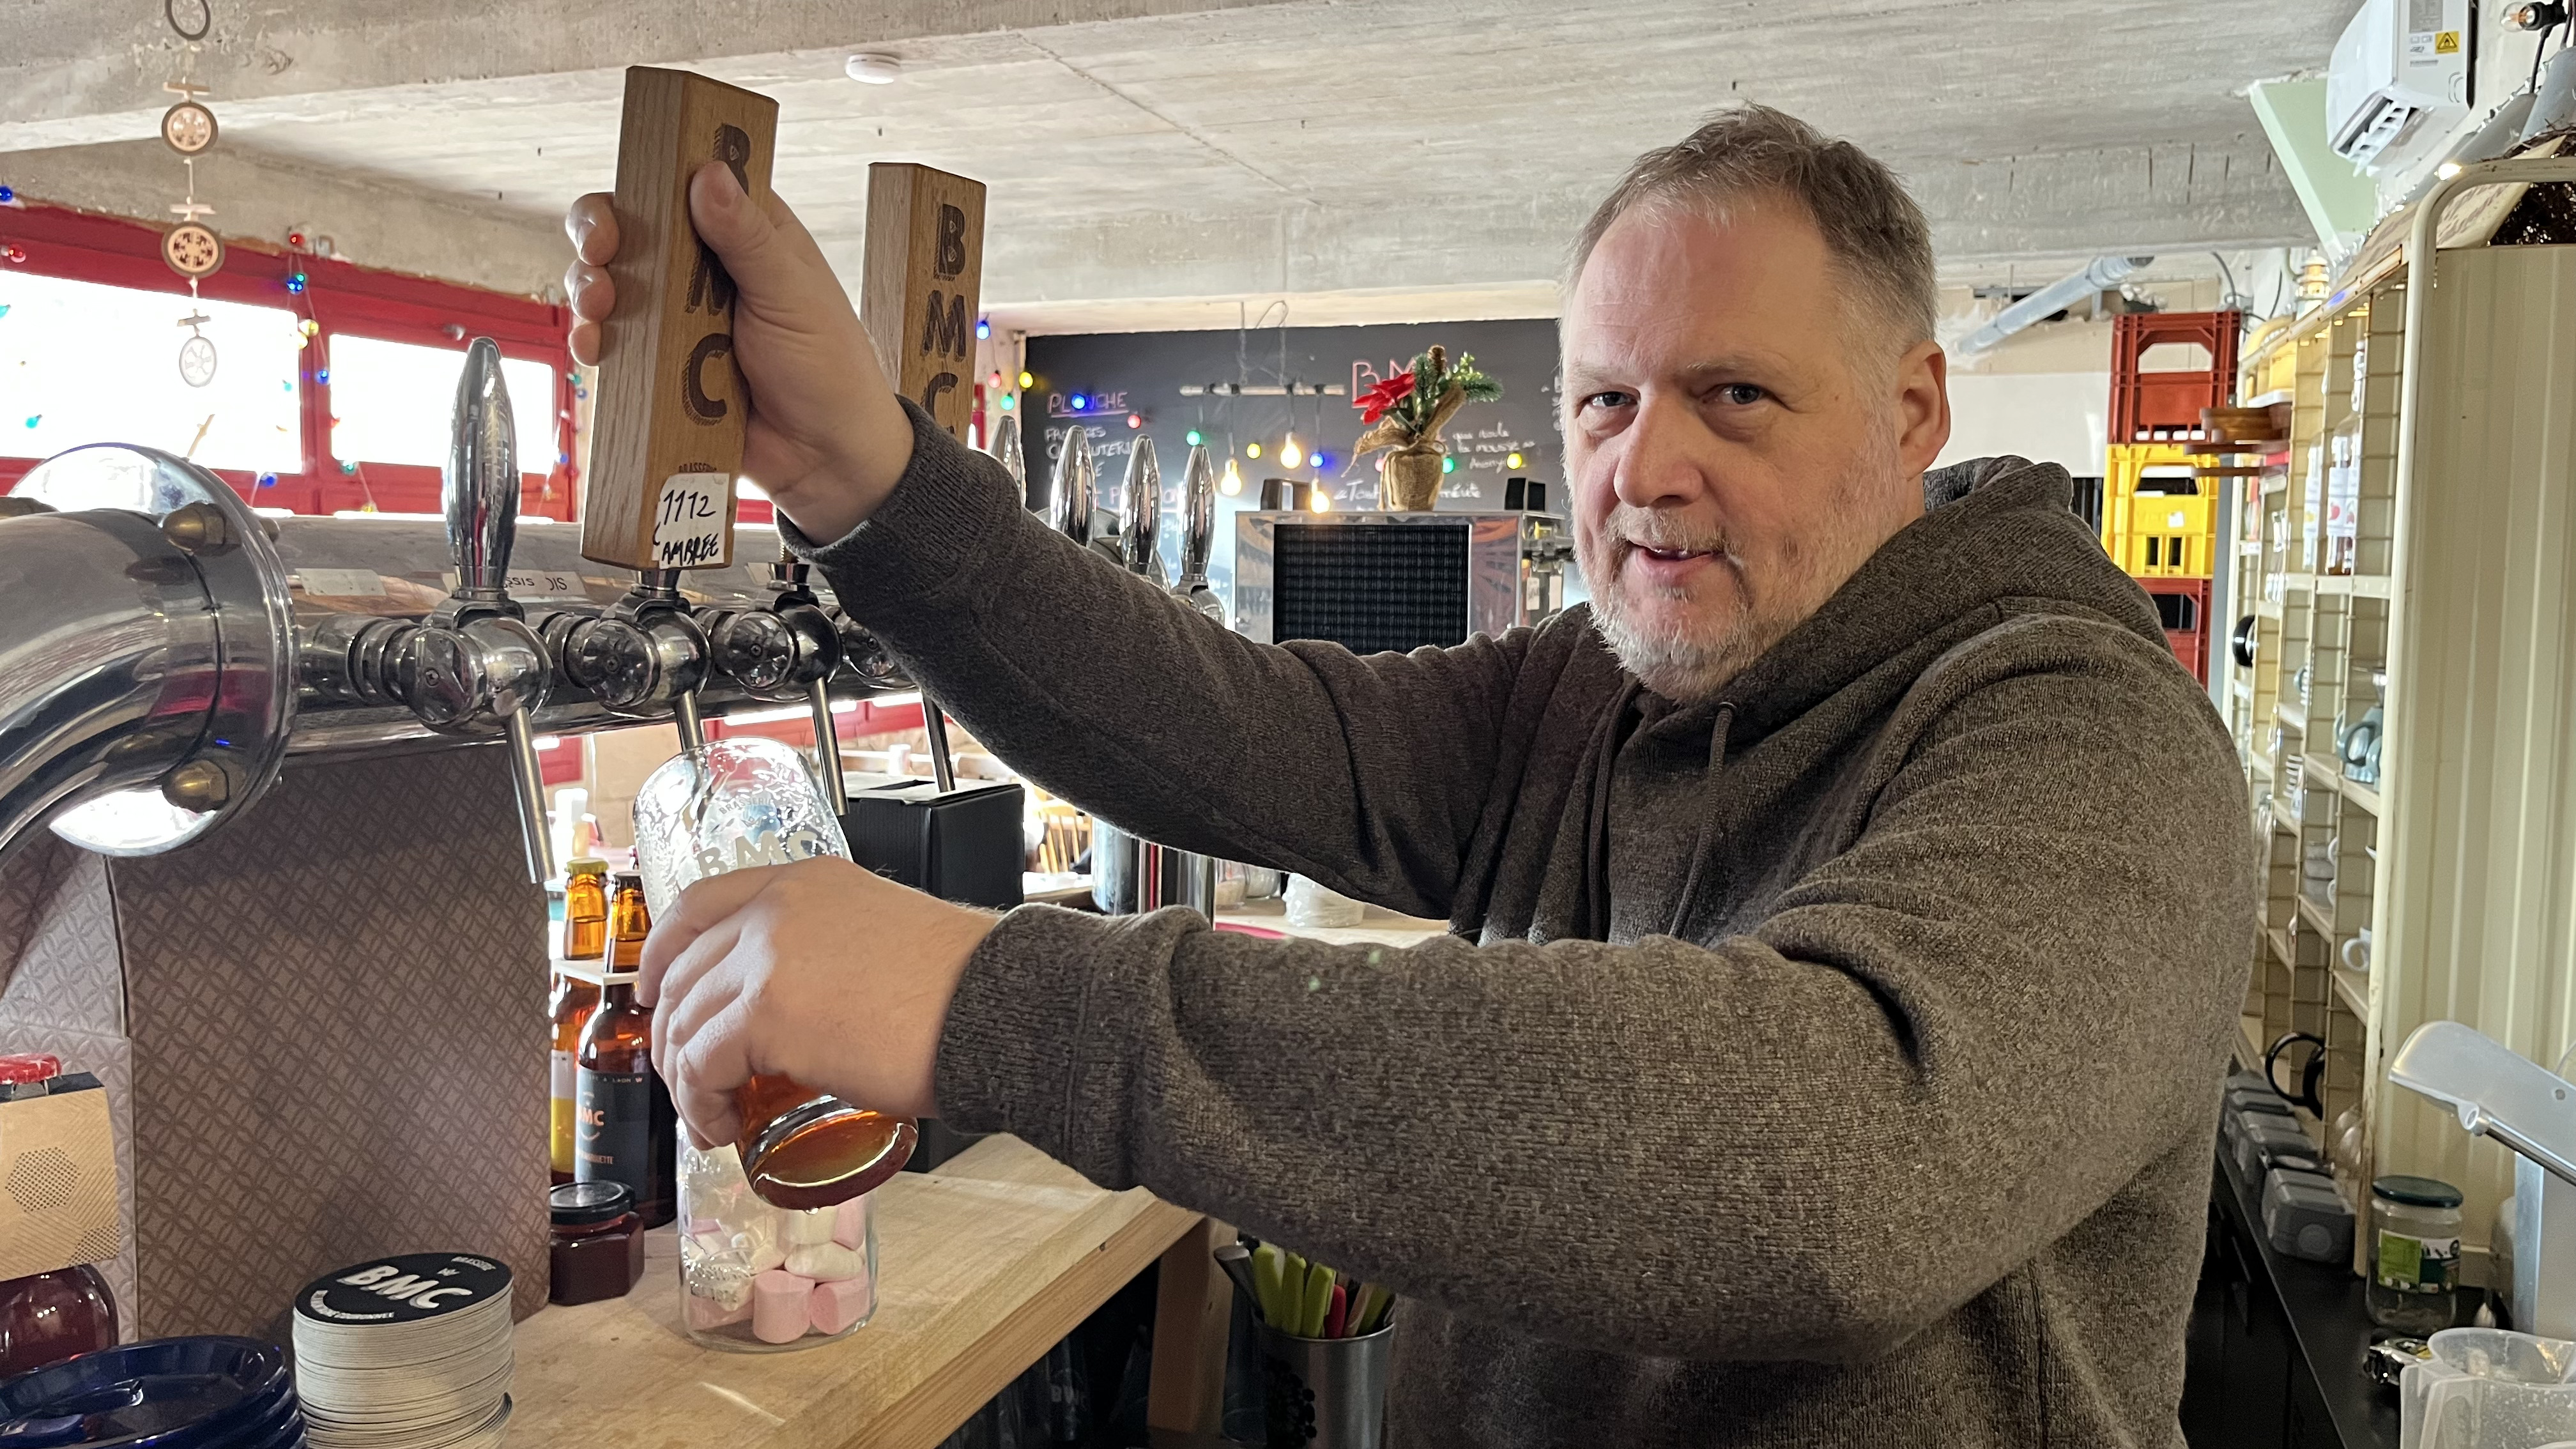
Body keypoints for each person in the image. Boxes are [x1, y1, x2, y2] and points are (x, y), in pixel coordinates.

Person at [569, 105, 2252, 1446]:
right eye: (1603, 400)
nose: (1645, 466)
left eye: (1733, 395)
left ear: (1914, 410)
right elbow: (1238, 727)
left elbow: (1841, 1163)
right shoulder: (1586, 697)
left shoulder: (2082, 733)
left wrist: (987, 999)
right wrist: (870, 475)